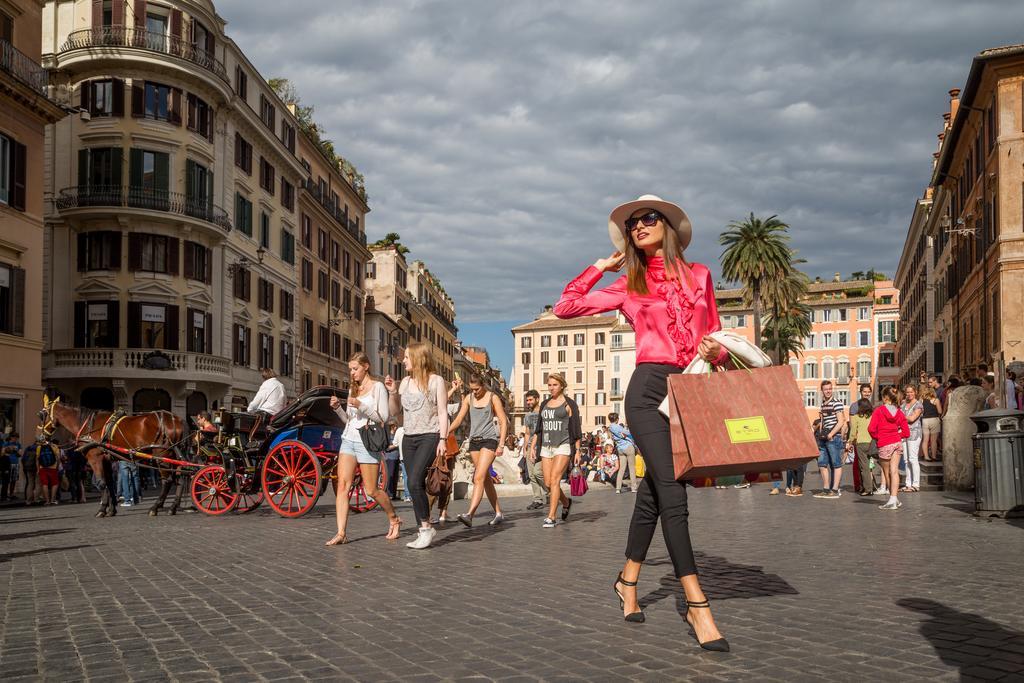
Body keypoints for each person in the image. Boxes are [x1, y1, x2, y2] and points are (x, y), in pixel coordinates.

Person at [553, 194, 729, 651]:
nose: (638, 227)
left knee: (654, 492)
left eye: (648, 218)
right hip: (648, 392)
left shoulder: (701, 276)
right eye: (632, 223)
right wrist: (599, 266)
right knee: (672, 491)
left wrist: (716, 351)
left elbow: (715, 335)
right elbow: (565, 307)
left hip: (688, 391)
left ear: (668, 225)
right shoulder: (630, 282)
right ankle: (697, 605)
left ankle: (627, 580)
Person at [326, 353, 401, 546]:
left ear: (365, 367)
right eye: (350, 369)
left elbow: (383, 417)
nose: (352, 373)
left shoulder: (378, 388)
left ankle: (393, 518)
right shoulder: (353, 389)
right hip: (348, 440)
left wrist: (361, 405)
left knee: (372, 490)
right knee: (342, 486)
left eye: (355, 369)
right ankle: (341, 533)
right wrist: (337, 409)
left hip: (367, 442)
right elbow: (349, 420)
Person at [386, 342, 449, 550]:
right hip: (408, 437)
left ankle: (425, 528)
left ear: (418, 358)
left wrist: (443, 439)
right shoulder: (404, 382)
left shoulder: (436, 381)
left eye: (406, 357)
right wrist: (393, 393)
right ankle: (423, 529)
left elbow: (442, 412)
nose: (403, 360)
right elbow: (395, 412)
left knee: (413, 482)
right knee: (414, 486)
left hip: (430, 436)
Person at [449, 373, 509, 527]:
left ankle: (470, 514)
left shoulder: (492, 397)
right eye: (472, 389)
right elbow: (459, 418)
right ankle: (498, 513)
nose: (474, 392)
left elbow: (503, 421)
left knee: (478, 477)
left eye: (477, 389)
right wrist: (446, 432)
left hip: (489, 440)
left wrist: (501, 444)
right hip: (474, 442)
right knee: (486, 479)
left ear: (483, 385)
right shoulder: (469, 398)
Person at [529, 373, 581, 528]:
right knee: (547, 482)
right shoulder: (545, 404)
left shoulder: (569, 404)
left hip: (563, 445)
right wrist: (532, 447)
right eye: (549, 385)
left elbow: (576, 428)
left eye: (555, 385)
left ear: (562, 386)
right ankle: (566, 502)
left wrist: (577, 450)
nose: (551, 388)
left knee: (555, 480)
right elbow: (539, 428)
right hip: (546, 446)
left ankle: (551, 516)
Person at [869, 386, 910, 510]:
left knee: (887, 473)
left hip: (884, 443)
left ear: (885, 398)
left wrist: (879, 437)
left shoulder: (879, 410)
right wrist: (897, 435)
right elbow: (906, 433)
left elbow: (871, 429)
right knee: (894, 471)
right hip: (897, 443)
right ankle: (894, 498)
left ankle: (892, 499)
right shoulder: (899, 412)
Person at [813, 380, 848, 499]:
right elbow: (822, 420)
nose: (828, 391)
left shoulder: (837, 403)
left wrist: (831, 434)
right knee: (822, 464)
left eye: (829, 388)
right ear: (822, 390)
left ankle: (835, 489)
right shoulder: (823, 404)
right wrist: (821, 433)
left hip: (833, 437)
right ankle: (826, 489)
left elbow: (841, 421)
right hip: (823, 437)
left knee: (836, 464)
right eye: (825, 389)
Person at [847, 399, 876, 496]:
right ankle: (871, 486)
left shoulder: (856, 417)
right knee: (870, 466)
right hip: (872, 443)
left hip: (861, 443)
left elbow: (853, 431)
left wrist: (850, 441)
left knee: (863, 467)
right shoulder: (872, 416)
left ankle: (868, 489)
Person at [522, 390, 545, 510]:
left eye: (530, 400)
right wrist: (525, 448)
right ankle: (538, 499)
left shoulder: (544, 412)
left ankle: (552, 493)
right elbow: (527, 432)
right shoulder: (527, 415)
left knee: (538, 473)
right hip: (530, 446)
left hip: (542, 445)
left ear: (537, 399)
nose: (528, 402)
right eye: (527, 400)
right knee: (531, 474)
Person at [607, 412, 636, 494]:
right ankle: (633, 487)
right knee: (631, 468)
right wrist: (627, 428)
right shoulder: (618, 426)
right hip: (628, 447)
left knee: (621, 469)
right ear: (616, 419)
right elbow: (628, 433)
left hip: (620, 449)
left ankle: (618, 488)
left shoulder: (610, 428)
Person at [33, 437, 61, 506]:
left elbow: (37, 459)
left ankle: (47, 501)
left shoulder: (39, 447)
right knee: (55, 484)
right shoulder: (54, 446)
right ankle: (52, 500)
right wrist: (57, 467)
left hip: (43, 468)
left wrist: (38, 469)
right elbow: (58, 458)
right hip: (53, 468)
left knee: (45, 484)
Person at [920, 386, 942, 462]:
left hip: (925, 420)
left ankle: (926, 456)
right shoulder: (936, 400)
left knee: (925, 440)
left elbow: (921, 411)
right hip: (934, 420)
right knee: (934, 440)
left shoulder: (922, 400)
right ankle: (934, 456)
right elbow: (940, 412)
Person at [384, 422, 402, 500]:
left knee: (395, 477)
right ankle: (389, 494)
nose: (396, 428)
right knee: (390, 476)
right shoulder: (388, 436)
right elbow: (386, 448)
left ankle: (394, 494)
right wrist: (395, 445)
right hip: (389, 458)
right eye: (395, 426)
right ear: (391, 427)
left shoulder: (396, 435)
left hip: (396, 457)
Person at [20, 438, 40, 505]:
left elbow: (23, 459)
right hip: (37, 468)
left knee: (30, 484)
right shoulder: (39, 448)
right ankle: (36, 499)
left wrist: (24, 468)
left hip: (28, 468)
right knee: (38, 484)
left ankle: (28, 500)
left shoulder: (28, 448)